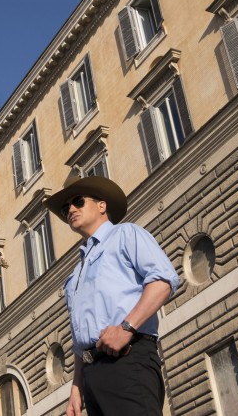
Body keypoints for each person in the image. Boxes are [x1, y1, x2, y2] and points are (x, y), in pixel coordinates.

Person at [43, 176, 180, 416]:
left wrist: (126, 328)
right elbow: (80, 337)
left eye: (78, 201)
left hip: (126, 359)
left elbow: (163, 280)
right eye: (65, 209)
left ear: (102, 205)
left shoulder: (125, 234)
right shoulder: (77, 272)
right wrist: (76, 387)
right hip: (92, 375)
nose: (71, 210)